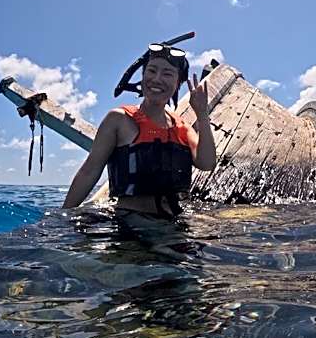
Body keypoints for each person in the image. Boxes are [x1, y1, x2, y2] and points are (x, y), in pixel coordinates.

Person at [62, 44, 217, 218]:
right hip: (130, 225)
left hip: (174, 225)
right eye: (151, 71)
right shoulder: (119, 120)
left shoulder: (182, 128)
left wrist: (202, 114)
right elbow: (89, 171)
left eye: (167, 74)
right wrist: (64, 215)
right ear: (142, 76)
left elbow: (207, 163)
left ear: (178, 82)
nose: (157, 79)